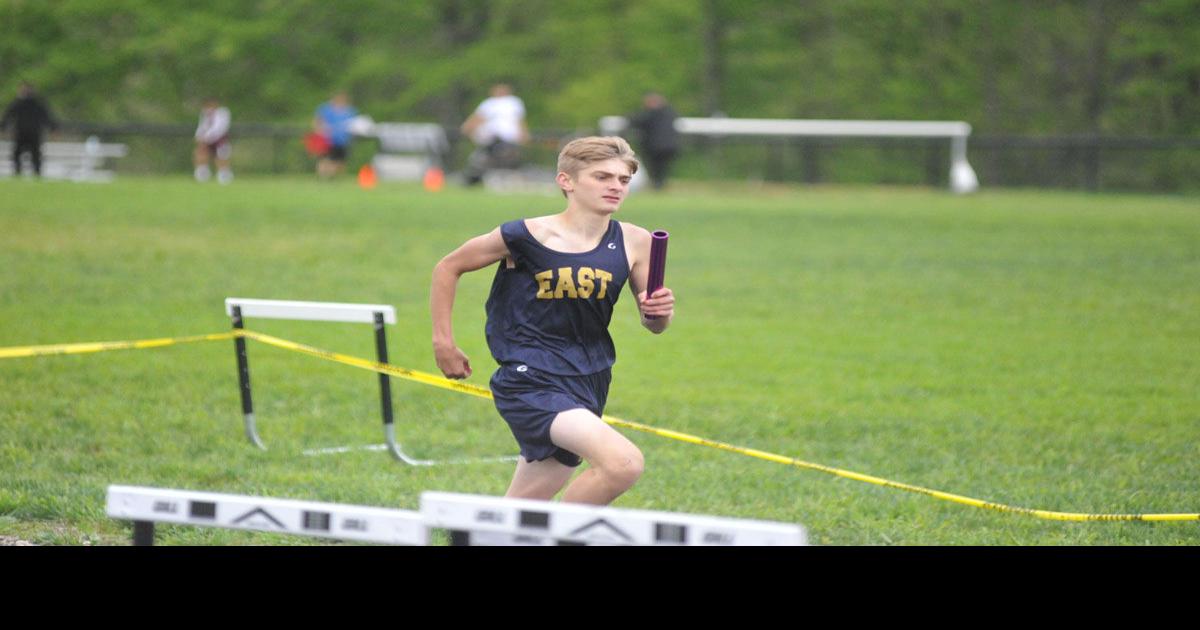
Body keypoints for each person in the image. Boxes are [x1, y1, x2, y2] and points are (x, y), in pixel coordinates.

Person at [431, 136, 675, 506]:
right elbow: (449, 267)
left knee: (522, 508)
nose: (615, 186)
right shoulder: (525, 235)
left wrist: (661, 313)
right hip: (529, 378)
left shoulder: (637, 242)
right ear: (567, 181)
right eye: (602, 177)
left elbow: (653, 324)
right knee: (622, 464)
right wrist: (443, 342)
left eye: (623, 180)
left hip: (589, 377)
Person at [460, 83, 529, 185]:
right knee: (486, 160)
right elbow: (477, 119)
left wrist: (523, 134)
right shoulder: (490, 103)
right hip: (493, 139)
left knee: (506, 160)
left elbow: (519, 120)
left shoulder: (513, 102)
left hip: (507, 140)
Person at [1, 82, 58, 178]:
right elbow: (8, 115)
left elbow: (46, 116)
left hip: (32, 133)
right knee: (18, 154)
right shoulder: (19, 103)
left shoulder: (37, 103)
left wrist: (54, 128)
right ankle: (18, 173)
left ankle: (36, 173)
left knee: (34, 155)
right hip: (22, 133)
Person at [628, 92, 680, 190]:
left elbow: (636, 121)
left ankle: (657, 185)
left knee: (656, 167)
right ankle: (659, 184)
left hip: (655, 146)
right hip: (670, 146)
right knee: (662, 168)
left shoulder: (649, 114)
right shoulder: (670, 113)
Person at [313, 91, 358, 179]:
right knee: (325, 159)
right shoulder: (325, 109)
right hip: (327, 139)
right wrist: (321, 130)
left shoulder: (349, 111)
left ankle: (335, 177)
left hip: (342, 140)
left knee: (340, 161)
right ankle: (323, 177)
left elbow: (354, 124)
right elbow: (317, 121)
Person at [193, 97, 233, 184]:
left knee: (222, 156)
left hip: (220, 140)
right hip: (206, 140)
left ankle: (223, 176)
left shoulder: (223, 113)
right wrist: (199, 136)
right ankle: (202, 175)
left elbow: (219, 128)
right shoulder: (204, 114)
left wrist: (206, 138)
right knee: (200, 152)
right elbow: (202, 126)